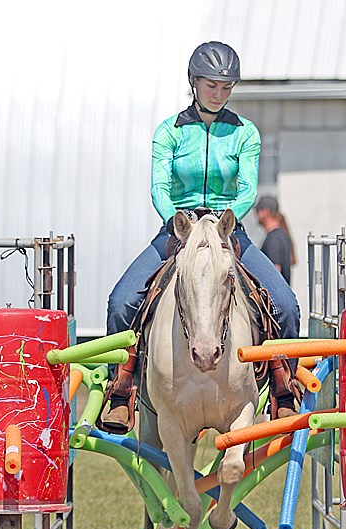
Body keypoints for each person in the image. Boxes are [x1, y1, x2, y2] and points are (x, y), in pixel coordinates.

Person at [102, 41, 301, 431]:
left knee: (287, 305)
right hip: (179, 228)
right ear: (194, 83)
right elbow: (160, 187)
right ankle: (122, 386)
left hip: (228, 228)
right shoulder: (169, 133)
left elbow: (247, 187)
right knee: (121, 301)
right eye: (212, 85)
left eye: (226, 87)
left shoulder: (245, 133)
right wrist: (178, 222)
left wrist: (227, 220)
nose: (219, 93)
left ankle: (282, 389)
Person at [254, 195, 296, 285]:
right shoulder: (281, 234)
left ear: (266, 212)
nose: (256, 215)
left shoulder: (274, 239)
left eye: (258, 211)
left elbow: (275, 272)